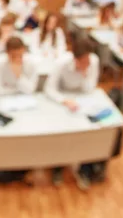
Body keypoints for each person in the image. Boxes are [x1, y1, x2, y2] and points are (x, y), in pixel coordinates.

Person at [44, 38, 100, 190]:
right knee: (61, 132)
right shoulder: (61, 63)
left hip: (83, 101)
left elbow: (90, 88)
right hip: (63, 100)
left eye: (88, 59)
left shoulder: (93, 62)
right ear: (75, 58)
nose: (88, 62)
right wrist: (64, 100)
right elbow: (49, 89)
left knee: (90, 131)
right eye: (83, 60)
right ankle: (57, 168)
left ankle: (85, 170)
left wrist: (84, 72)